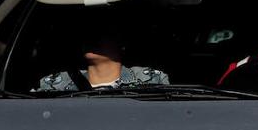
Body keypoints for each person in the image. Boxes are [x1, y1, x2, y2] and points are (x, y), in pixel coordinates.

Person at [38, 29, 168, 92]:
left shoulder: (151, 79)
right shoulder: (54, 84)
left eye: (101, 32)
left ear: (121, 42)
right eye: (88, 32)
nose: (92, 38)